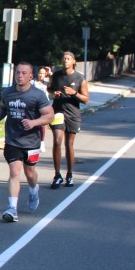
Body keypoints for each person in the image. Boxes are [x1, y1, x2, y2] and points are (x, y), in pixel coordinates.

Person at [0, 62, 54, 222]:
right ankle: (12, 208)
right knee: (14, 172)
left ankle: (33, 189)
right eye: (18, 72)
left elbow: (49, 116)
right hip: (13, 139)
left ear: (31, 76)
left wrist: (34, 122)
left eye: (24, 73)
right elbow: (3, 108)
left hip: (31, 141)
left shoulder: (38, 95)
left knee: (30, 173)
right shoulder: (7, 92)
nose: (20, 75)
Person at [48, 51, 89, 188]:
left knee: (69, 144)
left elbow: (86, 99)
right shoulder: (56, 76)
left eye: (68, 58)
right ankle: (57, 175)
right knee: (57, 141)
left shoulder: (80, 78)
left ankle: (69, 174)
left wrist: (74, 93)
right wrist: (54, 94)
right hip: (58, 111)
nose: (65, 60)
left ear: (73, 61)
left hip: (73, 113)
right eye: (64, 58)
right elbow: (49, 89)